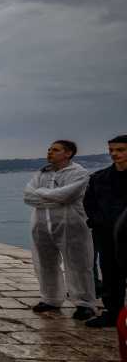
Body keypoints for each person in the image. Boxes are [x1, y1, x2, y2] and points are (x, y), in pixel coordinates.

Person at [23, 140, 97, 319]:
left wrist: (41, 193)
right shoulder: (42, 173)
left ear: (68, 153)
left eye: (55, 150)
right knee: (44, 263)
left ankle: (84, 303)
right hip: (41, 226)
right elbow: (28, 196)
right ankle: (50, 298)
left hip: (71, 225)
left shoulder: (79, 173)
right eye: (49, 149)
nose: (49, 152)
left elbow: (67, 195)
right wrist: (53, 198)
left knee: (79, 264)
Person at [83, 135, 127, 328]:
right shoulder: (99, 178)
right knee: (110, 275)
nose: (114, 154)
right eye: (111, 150)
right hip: (107, 234)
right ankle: (113, 313)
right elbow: (89, 203)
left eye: (120, 150)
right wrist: (97, 222)